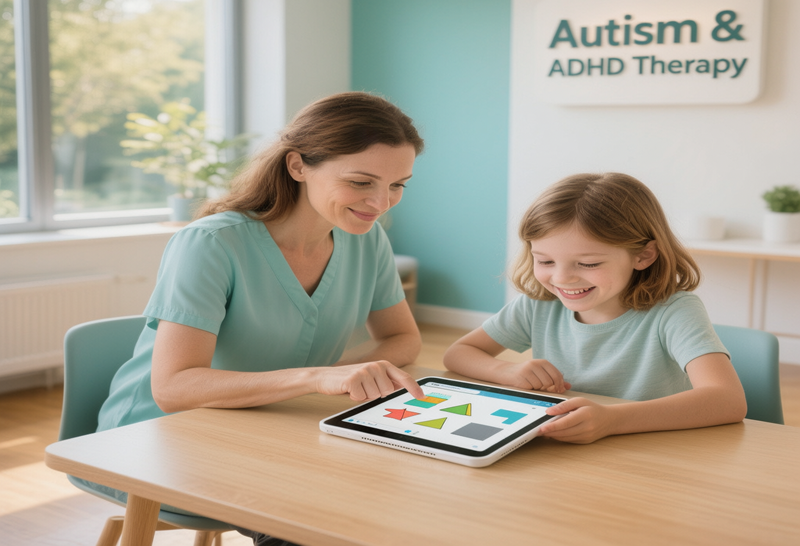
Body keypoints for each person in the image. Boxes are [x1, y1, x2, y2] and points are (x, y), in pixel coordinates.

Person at [92, 92, 427, 545]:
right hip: (154, 439)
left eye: (398, 185)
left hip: (271, 423)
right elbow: (173, 389)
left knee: (400, 494)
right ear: (298, 166)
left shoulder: (366, 240)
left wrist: (351, 376)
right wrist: (317, 378)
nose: (381, 202)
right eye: (361, 181)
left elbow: (402, 337)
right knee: (316, 520)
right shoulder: (212, 244)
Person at [443, 172, 747, 445]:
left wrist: (612, 420)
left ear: (643, 255)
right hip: (565, 450)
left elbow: (728, 400)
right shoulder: (539, 304)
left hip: (651, 452)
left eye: (588, 263)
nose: (562, 278)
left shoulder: (674, 312)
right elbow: (458, 353)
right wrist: (506, 371)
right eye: (545, 261)